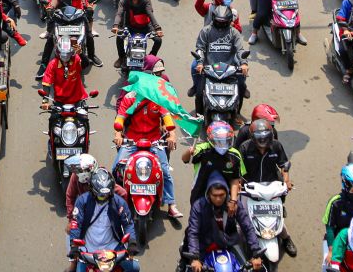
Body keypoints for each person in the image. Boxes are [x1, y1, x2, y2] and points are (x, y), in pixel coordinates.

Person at [112, 86, 182, 219]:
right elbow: (120, 119)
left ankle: (171, 204)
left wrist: (172, 135)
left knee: (165, 171)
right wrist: (118, 135)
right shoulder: (129, 98)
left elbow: (167, 119)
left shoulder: (158, 99)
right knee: (116, 168)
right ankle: (116, 201)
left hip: (154, 140)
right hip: (132, 140)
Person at [238, 118, 298, 257]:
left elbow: (284, 165)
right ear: (252, 137)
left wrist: (286, 181)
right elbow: (239, 170)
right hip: (250, 189)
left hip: (272, 187)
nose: (263, 143)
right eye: (259, 139)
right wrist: (239, 183)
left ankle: (286, 238)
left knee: (276, 218)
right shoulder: (244, 148)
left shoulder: (276, 146)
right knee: (242, 220)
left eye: (266, 138)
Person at [182, 174, 265, 271]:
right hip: (205, 245)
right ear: (208, 193)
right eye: (215, 195)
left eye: (221, 195)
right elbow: (193, 232)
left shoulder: (235, 205)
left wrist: (256, 252)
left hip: (230, 244)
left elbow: (248, 227)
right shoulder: (199, 206)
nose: (218, 199)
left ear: (226, 192)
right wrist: (194, 258)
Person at [68, 168, 140, 269]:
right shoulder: (82, 201)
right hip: (88, 249)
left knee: (134, 268)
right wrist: (74, 245)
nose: (103, 197)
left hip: (112, 248)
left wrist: (132, 242)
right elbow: (76, 224)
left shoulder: (119, 203)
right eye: (100, 195)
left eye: (106, 195)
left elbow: (128, 224)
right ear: (92, 190)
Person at [193, 4, 251, 112]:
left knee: (241, 88)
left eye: (223, 22)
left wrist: (244, 63)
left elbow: (240, 50)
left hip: (229, 69)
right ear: (214, 18)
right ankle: (199, 115)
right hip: (209, 68)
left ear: (229, 21)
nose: (220, 24)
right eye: (218, 21)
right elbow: (200, 48)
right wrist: (200, 63)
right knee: (199, 93)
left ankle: (237, 113)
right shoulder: (206, 31)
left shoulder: (234, 32)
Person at [181, 121, 245, 206]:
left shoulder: (235, 155)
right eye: (219, 142)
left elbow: (235, 179)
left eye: (225, 141)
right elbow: (185, 159)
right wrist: (189, 152)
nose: (222, 145)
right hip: (200, 195)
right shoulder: (202, 149)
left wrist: (233, 200)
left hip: (224, 198)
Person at [113, 0, 162, 68]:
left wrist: (157, 28)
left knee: (158, 40)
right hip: (130, 26)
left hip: (146, 27)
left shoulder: (146, 0)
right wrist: (116, 25)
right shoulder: (124, 0)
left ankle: (151, 57)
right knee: (119, 38)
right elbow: (119, 13)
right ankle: (121, 57)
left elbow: (150, 14)